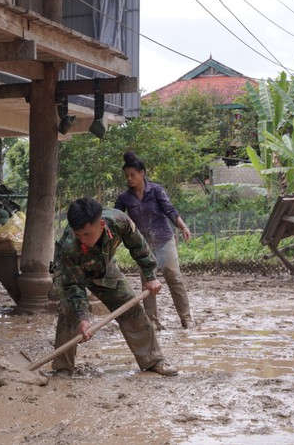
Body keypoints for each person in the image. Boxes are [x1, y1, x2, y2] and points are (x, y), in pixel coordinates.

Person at [51, 197, 178, 377]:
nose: (82, 239)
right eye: (78, 235)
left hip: (103, 267)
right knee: (69, 312)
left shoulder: (119, 221)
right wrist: (83, 317)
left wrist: (150, 276)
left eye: (87, 234)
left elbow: (138, 245)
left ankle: (153, 360)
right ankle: (62, 369)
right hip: (69, 272)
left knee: (132, 309)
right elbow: (74, 285)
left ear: (101, 224)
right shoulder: (69, 246)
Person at [114, 151, 193, 330]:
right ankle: (152, 321)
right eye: (126, 176)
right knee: (148, 283)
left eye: (132, 175)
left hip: (164, 241)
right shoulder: (124, 198)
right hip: (143, 247)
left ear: (142, 173)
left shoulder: (156, 190)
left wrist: (183, 227)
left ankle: (186, 318)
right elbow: (117, 218)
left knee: (174, 279)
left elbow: (169, 210)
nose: (129, 178)